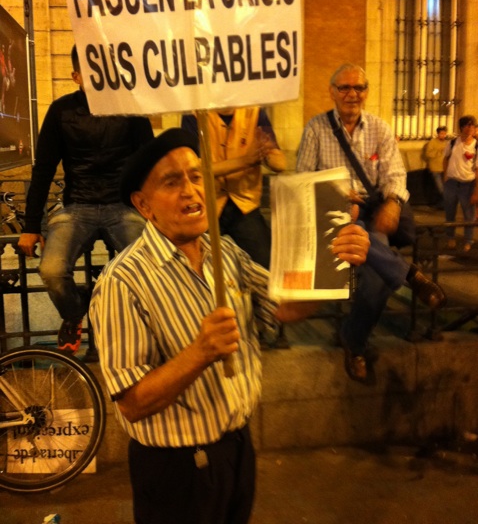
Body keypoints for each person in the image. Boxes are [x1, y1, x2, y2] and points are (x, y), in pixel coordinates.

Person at [89, 128, 370, 524]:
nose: (191, 191)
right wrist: (199, 353)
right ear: (143, 204)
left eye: (196, 176)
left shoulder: (225, 252)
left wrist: (335, 260)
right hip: (176, 471)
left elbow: (284, 309)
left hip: (237, 450)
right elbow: (132, 402)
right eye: (172, 182)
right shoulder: (122, 282)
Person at [296, 63, 446, 382]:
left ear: (367, 92)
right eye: (344, 87)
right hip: (336, 213)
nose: (352, 94)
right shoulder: (316, 129)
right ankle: (409, 274)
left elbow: (395, 174)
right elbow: (303, 179)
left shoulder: (379, 128)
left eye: (359, 87)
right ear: (332, 92)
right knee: (369, 253)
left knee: (378, 282)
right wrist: (338, 195)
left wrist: (393, 202)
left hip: (373, 209)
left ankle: (353, 339)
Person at [18, 45, 154, 354]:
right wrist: (31, 225)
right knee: (52, 271)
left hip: (124, 204)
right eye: (92, 71)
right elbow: (44, 169)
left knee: (152, 265)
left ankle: (142, 322)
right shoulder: (62, 111)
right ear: (76, 76)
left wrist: (156, 211)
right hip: (78, 205)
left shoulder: (130, 108)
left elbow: (150, 163)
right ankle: (73, 312)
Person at [181, 107, 286, 269]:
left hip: (245, 204)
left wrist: (268, 154)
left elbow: (279, 163)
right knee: (204, 266)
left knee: (265, 264)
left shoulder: (255, 112)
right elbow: (195, 168)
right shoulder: (194, 114)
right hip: (207, 204)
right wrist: (246, 161)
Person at [443, 115, 478, 252]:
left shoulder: (476, 146)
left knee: (468, 215)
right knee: (449, 212)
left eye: (473, 126)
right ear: (462, 127)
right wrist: (445, 175)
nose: (470, 128)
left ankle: (468, 241)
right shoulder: (452, 143)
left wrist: (476, 191)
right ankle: (450, 237)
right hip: (451, 183)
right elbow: (445, 158)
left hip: (467, 184)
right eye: (468, 125)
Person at [424, 126, 447, 207]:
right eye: (441, 133)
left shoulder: (446, 143)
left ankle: (442, 204)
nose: (443, 135)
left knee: (444, 187)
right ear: (438, 134)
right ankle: (446, 202)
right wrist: (439, 152)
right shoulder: (432, 142)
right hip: (435, 168)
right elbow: (428, 154)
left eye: (444, 133)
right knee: (440, 187)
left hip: (444, 168)